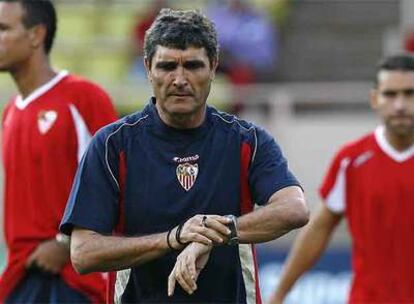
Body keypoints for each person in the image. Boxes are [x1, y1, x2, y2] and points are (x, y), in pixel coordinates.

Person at [59, 8, 309, 304]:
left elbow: (295, 209)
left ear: (214, 67)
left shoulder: (247, 140)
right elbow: (83, 253)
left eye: (193, 65)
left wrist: (217, 231)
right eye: (167, 66)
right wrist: (174, 238)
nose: (179, 79)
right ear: (148, 68)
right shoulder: (113, 145)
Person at [269, 54, 414, 304]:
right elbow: (319, 229)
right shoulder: (352, 160)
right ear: (375, 99)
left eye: (409, 93)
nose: (400, 104)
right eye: (390, 94)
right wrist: (279, 294)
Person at [0, 0, 118, 303]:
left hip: (75, 279)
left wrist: (66, 244)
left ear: (36, 34)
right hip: (21, 276)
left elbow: (123, 181)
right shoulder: (10, 112)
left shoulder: (83, 98)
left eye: (3, 29)